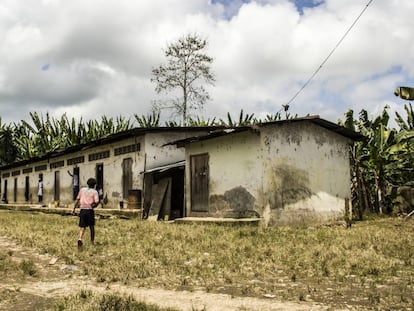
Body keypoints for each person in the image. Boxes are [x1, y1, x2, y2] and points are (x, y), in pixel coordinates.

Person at [72, 178, 99, 248]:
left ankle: (80, 238)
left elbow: (77, 199)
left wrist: (73, 209)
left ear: (87, 184)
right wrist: (94, 206)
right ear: (94, 185)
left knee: (82, 226)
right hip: (89, 210)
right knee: (91, 226)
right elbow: (96, 201)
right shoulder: (94, 192)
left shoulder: (82, 190)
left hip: (82, 210)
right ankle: (92, 242)